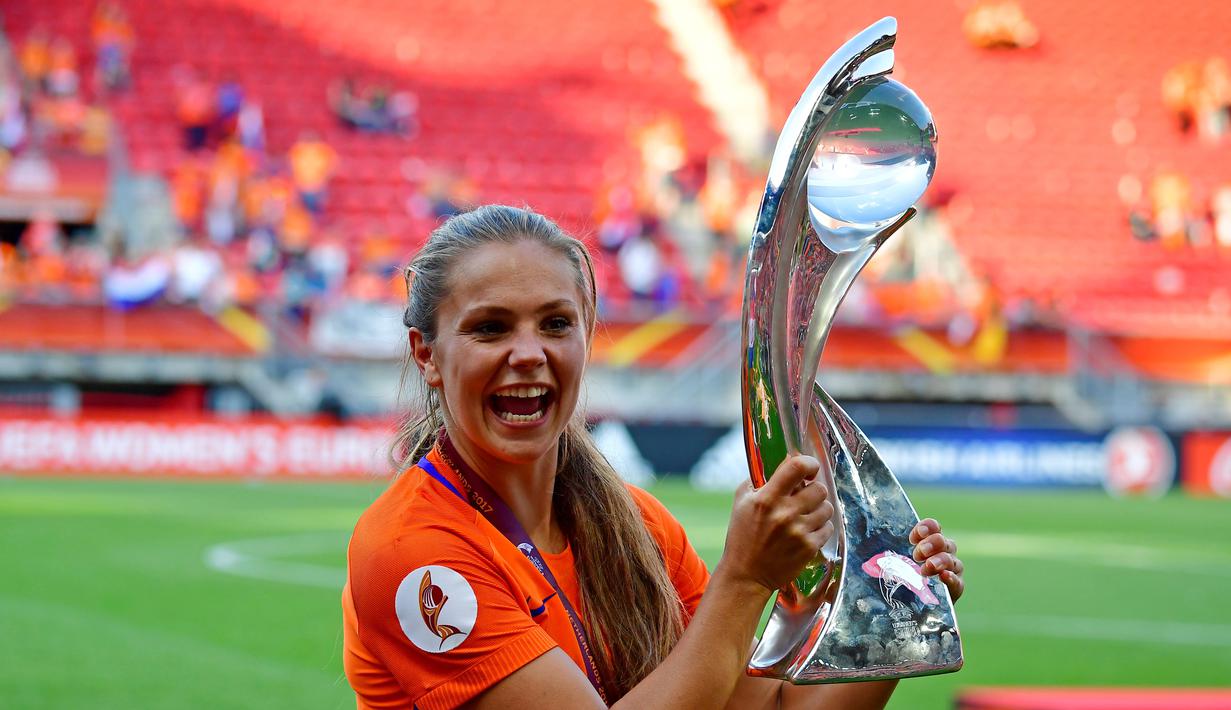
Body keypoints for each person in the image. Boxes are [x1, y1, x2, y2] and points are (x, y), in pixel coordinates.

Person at [343, 205, 965, 709]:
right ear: (426, 354)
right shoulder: (413, 552)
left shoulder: (634, 524)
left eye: (557, 324)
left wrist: (891, 612)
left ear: (587, 334)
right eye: (490, 328)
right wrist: (745, 580)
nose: (528, 353)